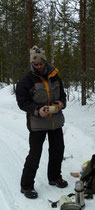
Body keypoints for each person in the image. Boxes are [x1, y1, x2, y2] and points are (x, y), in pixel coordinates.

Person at [16, 45, 68, 199]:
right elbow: (22, 102)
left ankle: (54, 177)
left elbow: (63, 95)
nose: (38, 66)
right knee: (35, 154)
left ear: (45, 61)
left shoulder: (55, 76)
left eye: (40, 63)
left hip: (55, 121)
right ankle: (26, 186)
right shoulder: (26, 80)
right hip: (37, 123)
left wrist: (61, 103)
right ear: (32, 64)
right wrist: (37, 110)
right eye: (35, 64)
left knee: (58, 150)